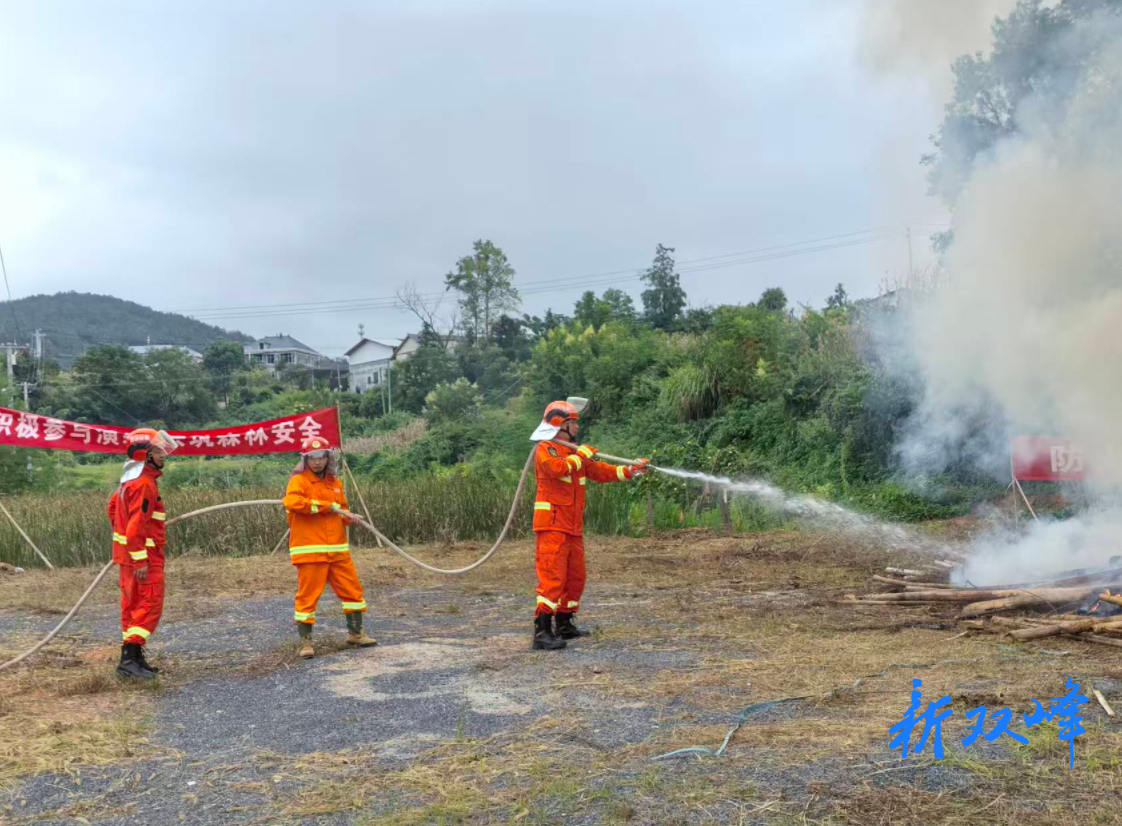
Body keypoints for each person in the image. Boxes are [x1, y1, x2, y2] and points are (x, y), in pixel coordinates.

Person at [529, 399, 648, 650]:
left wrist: (629, 470)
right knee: (552, 578)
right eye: (573, 423)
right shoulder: (546, 449)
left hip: (573, 528)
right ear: (560, 424)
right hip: (552, 526)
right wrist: (581, 454)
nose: (577, 428)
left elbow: (601, 471)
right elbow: (556, 468)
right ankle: (542, 632)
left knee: (575, 578)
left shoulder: (574, 452)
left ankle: (564, 624)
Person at [283, 436, 377, 658]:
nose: (317, 462)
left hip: (337, 549)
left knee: (353, 591)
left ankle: (356, 634)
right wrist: (326, 506)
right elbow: (293, 502)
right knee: (307, 597)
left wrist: (349, 517)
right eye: (312, 458)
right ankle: (306, 644)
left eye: (321, 457)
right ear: (306, 459)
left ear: (328, 458)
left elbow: (341, 508)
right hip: (310, 551)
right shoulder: (299, 481)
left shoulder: (334, 482)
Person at [108, 428, 178, 680]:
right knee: (148, 605)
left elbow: (113, 509)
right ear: (145, 454)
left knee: (132, 605)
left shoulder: (128, 481)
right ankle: (129, 660)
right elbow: (136, 524)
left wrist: (127, 546)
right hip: (144, 558)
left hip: (129, 556)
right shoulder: (144, 484)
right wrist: (140, 557)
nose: (163, 456)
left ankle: (133, 659)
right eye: (159, 451)